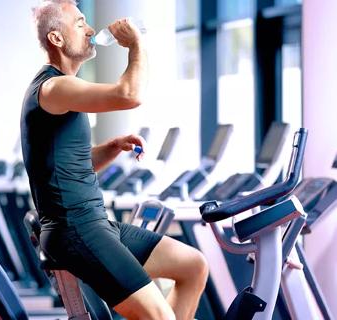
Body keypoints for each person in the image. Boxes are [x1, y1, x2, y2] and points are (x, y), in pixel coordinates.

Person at [21, 1, 209, 319]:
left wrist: (109, 148)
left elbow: (64, 170)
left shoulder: (63, 90)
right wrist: (136, 44)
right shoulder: (55, 86)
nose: (91, 30)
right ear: (56, 38)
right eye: (80, 23)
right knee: (159, 316)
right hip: (77, 230)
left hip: (95, 224)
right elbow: (129, 94)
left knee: (193, 265)